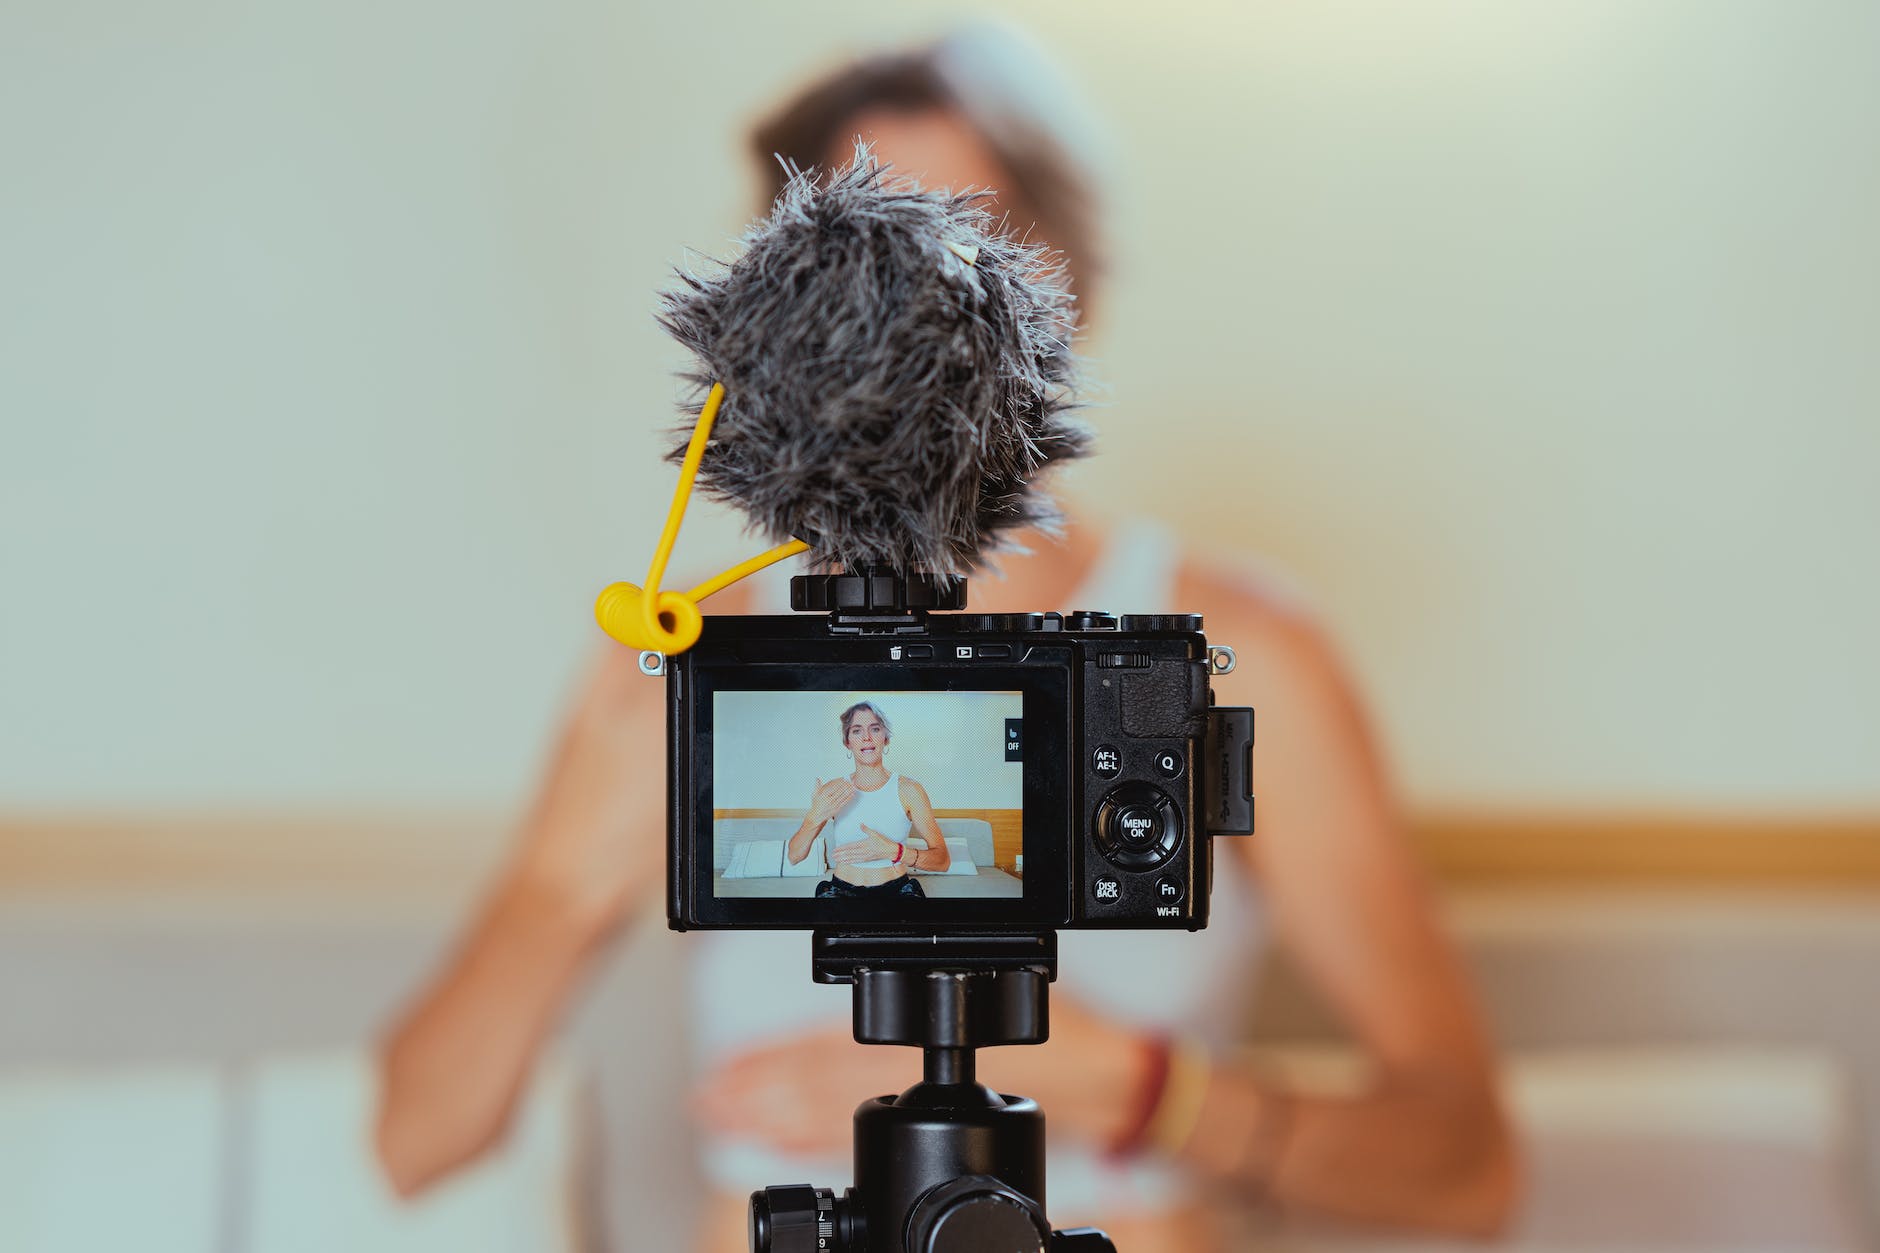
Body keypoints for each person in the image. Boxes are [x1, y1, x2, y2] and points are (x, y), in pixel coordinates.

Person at [374, 25, 1519, 1252]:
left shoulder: (1239, 652)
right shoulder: (686, 656)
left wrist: (1135, 1088)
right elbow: (413, 1139)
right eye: (868, 248)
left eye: (967, 234)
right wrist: (557, 892)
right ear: (783, 306)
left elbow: (1464, 1172)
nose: (918, 300)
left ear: (1066, 279)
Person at [795, 700, 950, 898]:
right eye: (857, 731)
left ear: (885, 738)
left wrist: (895, 851)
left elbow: (943, 860)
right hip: (840, 892)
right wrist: (813, 818)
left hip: (897, 892)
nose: (867, 737)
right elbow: (795, 855)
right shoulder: (833, 791)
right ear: (847, 741)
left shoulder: (910, 790)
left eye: (875, 729)